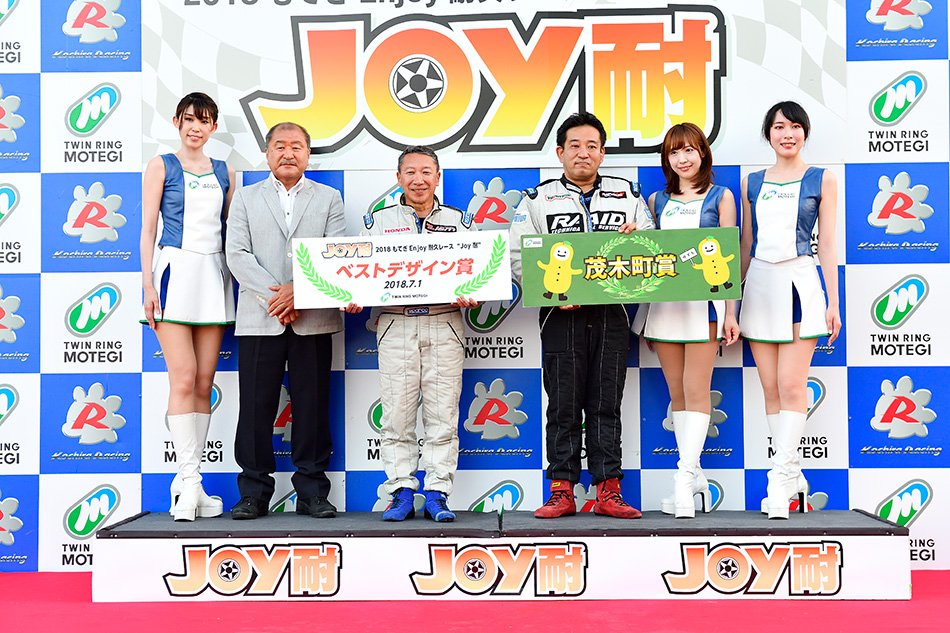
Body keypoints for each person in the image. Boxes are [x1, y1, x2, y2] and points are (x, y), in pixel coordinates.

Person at [510, 112, 653, 519]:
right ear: (560, 152)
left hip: (613, 311)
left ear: (602, 153)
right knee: (564, 405)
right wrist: (553, 294)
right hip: (560, 315)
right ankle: (562, 491)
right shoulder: (536, 199)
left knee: (606, 403)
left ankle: (608, 491)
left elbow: (653, 249)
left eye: (592, 146)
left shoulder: (629, 196)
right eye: (574, 145)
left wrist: (638, 241)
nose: (583, 153)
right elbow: (518, 255)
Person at [349, 146, 477, 523]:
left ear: (438, 177)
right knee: (396, 415)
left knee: (443, 414)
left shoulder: (460, 222)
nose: (418, 180)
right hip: (396, 322)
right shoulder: (378, 222)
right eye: (410, 172)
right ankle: (401, 491)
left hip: (445, 321)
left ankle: (437, 493)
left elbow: (480, 273)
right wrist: (350, 294)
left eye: (426, 172)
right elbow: (355, 272)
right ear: (398, 178)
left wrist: (475, 291)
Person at [225, 122, 345, 520]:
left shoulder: (329, 198)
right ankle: (253, 493)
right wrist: (278, 297)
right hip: (260, 317)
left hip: (314, 319)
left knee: (313, 407)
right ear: (267, 153)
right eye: (280, 146)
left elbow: (335, 253)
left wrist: (301, 292)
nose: (288, 153)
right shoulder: (245, 197)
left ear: (308, 154)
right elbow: (237, 254)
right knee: (255, 408)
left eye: (296, 146)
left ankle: (312, 492)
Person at [739, 101, 840, 520]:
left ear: (805, 133)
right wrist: (730, 304)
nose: (788, 133)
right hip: (759, 285)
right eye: (780, 126)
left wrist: (833, 302)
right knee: (771, 388)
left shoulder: (823, 178)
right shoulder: (752, 181)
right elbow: (746, 244)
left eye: (795, 126)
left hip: (800, 282)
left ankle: (778, 480)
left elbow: (827, 245)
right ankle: (793, 475)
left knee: (792, 386)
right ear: (769, 134)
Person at [140, 92, 236, 522]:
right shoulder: (161, 165)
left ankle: (188, 484)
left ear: (213, 127)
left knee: (203, 382)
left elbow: (231, 231)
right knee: (181, 378)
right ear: (177, 121)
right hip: (174, 273)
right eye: (190, 119)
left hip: (214, 276)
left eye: (205, 121)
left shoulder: (225, 171)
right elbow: (148, 229)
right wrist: (148, 283)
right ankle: (190, 482)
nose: (196, 127)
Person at [641, 123, 739, 518]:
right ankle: (695, 476)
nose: (682, 159)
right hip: (665, 307)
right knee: (677, 394)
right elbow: (646, 255)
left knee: (697, 389)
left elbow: (729, 259)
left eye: (689, 150)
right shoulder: (656, 200)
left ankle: (683, 479)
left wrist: (731, 312)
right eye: (674, 152)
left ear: (702, 153)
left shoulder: (721, 197)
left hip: (705, 307)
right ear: (667, 159)